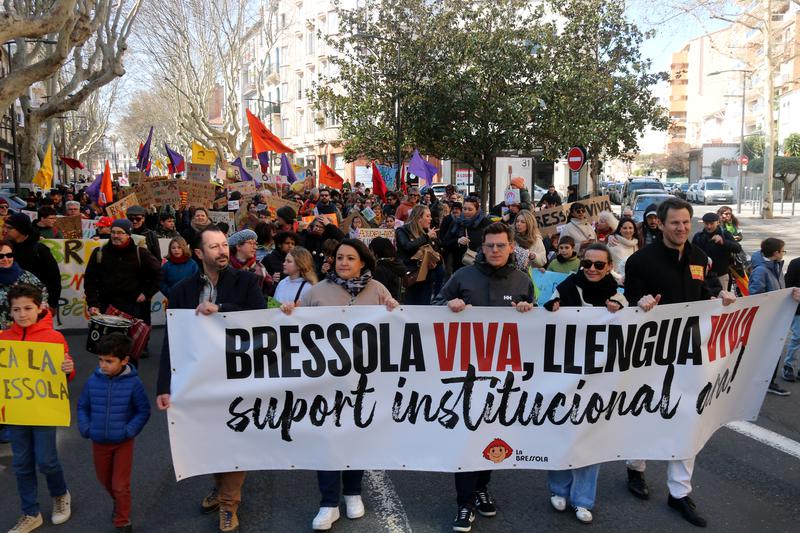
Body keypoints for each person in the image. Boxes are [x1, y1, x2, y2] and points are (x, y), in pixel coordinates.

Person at [624, 197, 736, 528]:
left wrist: (721, 298)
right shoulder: (641, 261)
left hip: (691, 351)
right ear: (660, 223)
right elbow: (629, 300)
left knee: (688, 416)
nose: (682, 228)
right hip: (650, 353)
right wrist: (640, 303)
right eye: (675, 223)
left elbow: (708, 291)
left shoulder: (700, 257)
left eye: (686, 223)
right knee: (646, 411)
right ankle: (635, 469)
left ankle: (679, 493)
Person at [280, 239, 399, 531]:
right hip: (324, 382)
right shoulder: (317, 291)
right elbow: (294, 328)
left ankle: (353, 493)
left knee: (355, 436)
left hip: (363, 381)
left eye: (350, 258)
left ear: (363, 263)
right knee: (327, 440)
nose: (343, 263)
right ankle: (329, 502)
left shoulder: (377, 290)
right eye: (339, 258)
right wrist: (287, 312)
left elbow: (398, 328)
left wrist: (396, 309)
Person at [156, 225, 266, 533]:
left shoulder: (246, 281)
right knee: (208, 438)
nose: (222, 251)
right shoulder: (181, 292)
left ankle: (230, 504)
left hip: (239, 376)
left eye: (224, 245)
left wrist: (221, 310)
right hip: (198, 377)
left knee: (234, 438)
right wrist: (163, 385)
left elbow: (259, 317)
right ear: (199, 253)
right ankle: (220, 490)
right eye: (214, 247)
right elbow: (171, 340)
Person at [432, 222, 534, 533]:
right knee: (465, 439)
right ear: (483, 246)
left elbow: (539, 323)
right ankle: (464, 503)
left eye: (501, 245)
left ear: (511, 246)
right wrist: (448, 306)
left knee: (491, 435)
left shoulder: (522, 281)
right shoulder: (463, 276)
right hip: (464, 375)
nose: (494, 250)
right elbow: (432, 308)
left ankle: (481, 487)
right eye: (489, 245)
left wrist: (531, 310)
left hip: (503, 378)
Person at [544, 243, 626, 525]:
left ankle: (582, 499)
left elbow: (632, 319)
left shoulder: (618, 295)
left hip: (600, 378)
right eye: (587, 264)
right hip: (565, 373)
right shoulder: (567, 287)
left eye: (598, 265)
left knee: (591, 436)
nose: (591, 269)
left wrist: (620, 308)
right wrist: (551, 306)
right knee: (561, 430)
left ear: (609, 267)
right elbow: (547, 308)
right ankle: (558, 489)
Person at [2, 284, 74, 533]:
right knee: (21, 464)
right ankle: (30, 512)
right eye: (16, 309)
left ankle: (60, 494)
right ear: (10, 311)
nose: (22, 314)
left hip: (44, 410)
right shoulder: (3, 339)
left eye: (28, 308)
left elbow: (66, 375)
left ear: (40, 308)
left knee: (47, 461)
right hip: (16, 411)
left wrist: (68, 369)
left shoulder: (54, 338)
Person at [77, 333, 150, 533]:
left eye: (109, 361)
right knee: (105, 481)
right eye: (100, 360)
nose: (103, 365)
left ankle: (123, 520)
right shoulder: (93, 381)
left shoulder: (134, 383)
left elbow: (143, 410)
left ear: (124, 360)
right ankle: (119, 502)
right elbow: (82, 406)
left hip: (123, 442)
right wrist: (86, 428)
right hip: (98, 442)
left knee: (120, 484)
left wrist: (129, 431)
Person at [84, 219, 162, 328]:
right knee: (104, 342)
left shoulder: (141, 253)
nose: (116, 235)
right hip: (106, 306)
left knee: (133, 343)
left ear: (128, 235)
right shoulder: (99, 252)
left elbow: (159, 274)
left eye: (120, 233)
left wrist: (146, 293)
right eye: (113, 232)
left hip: (133, 307)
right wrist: (92, 303)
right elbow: (90, 280)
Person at [748, 238, 792, 396]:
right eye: (782, 251)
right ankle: (766, 382)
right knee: (769, 352)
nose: (783, 253)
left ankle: (766, 381)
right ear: (775, 253)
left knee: (773, 351)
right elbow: (755, 295)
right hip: (767, 319)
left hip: (776, 316)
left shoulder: (774, 266)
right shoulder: (762, 270)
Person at [4, 212, 61, 311]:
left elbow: (54, 279)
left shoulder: (39, 250)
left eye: (9, 228)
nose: (5, 230)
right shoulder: (6, 249)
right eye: (5, 227)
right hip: (8, 306)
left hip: (35, 305)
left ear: (21, 230)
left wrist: (52, 304)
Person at [396, 205, 440, 304]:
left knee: (424, 309)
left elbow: (437, 252)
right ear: (419, 218)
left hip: (426, 277)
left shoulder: (427, 231)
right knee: (410, 310)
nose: (431, 219)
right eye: (428, 216)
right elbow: (407, 246)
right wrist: (426, 237)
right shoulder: (402, 230)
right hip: (410, 277)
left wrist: (434, 241)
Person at [0, 239, 49, 329]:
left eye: (9, 255)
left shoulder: (26, 276)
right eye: (1, 256)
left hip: (24, 331)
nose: (5, 259)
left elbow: (43, 297)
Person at [691, 212, 741, 291]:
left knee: (722, 301)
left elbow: (738, 248)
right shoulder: (698, 236)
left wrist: (723, 242)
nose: (709, 226)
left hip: (721, 276)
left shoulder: (725, 234)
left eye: (711, 224)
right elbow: (692, 254)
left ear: (718, 222)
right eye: (706, 224)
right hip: (703, 276)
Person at [450, 196, 490, 272]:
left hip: (481, 265)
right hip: (460, 267)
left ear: (477, 210)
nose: (466, 212)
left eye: (470, 209)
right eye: (464, 209)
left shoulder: (485, 223)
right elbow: (446, 242)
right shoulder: (457, 222)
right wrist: (457, 241)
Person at [229, 229, 271, 297]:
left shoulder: (260, 268)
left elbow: (269, 292)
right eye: (251, 243)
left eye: (256, 244)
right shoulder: (226, 267)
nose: (255, 247)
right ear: (238, 246)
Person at [606, 217, 639, 284]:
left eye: (630, 228)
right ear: (620, 229)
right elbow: (607, 266)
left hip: (634, 282)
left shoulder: (637, 244)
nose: (628, 230)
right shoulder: (612, 243)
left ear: (634, 230)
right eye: (624, 228)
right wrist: (620, 278)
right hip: (617, 283)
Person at [783, 255, 800, 382]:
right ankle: (788, 366)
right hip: (798, 307)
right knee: (798, 337)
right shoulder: (796, 263)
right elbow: (787, 284)